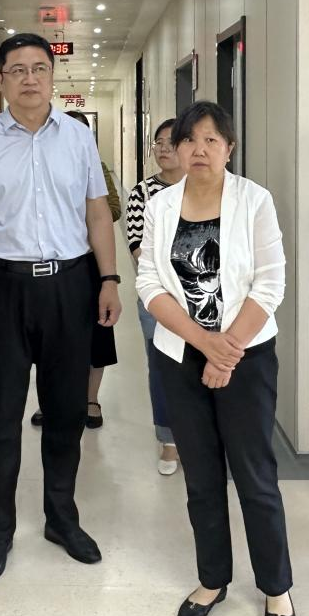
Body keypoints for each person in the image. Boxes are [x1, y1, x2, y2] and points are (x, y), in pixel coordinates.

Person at [0, 32, 122, 583]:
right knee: (1, 416)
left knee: (66, 412)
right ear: (1, 79)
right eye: (17, 69)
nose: (29, 78)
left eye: (39, 68)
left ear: (52, 75)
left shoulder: (77, 137)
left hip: (69, 285)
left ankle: (61, 518)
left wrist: (109, 279)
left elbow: (97, 213)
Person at [136, 101, 297, 616]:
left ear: (229, 147)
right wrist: (204, 343)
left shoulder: (253, 200)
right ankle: (212, 579)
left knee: (255, 475)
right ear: (176, 148)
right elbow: (149, 282)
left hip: (246, 357)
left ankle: (276, 586)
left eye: (211, 139)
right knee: (201, 476)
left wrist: (226, 351)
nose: (199, 149)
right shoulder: (161, 204)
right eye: (189, 139)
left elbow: (270, 283)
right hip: (180, 355)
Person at [31, 109, 121, 430]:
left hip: (91, 260)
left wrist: (76, 214)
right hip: (52, 265)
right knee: (48, 339)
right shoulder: (42, 167)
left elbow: (112, 209)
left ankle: (90, 399)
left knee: (96, 334)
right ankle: (49, 399)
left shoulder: (97, 167)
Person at [125, 118, 183, 475]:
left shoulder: (208, 188)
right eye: (158, 142)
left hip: (205, 300)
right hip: (158, 296)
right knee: (162, 368)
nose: (163, 148)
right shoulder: (142, 193)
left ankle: (201, 437)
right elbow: (137, 247)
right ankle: (169, 440)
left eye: (171, 142)